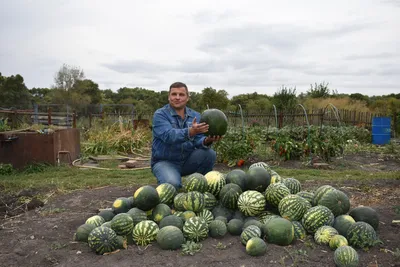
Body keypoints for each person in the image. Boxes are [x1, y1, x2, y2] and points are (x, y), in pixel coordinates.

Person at [151, 82, 222, 188]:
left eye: (181, 94)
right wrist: (190, 132)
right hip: (165, 161)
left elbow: (198, 139)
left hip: (188, 160)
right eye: (174, 94)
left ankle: (200, 184)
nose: (177, 97)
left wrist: (206, 140)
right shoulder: (160, 115)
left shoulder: (196, 116)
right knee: (172, 184)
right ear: (169, 97)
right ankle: (169, 178)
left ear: (187, 98)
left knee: (209, 154)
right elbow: (168, 135)